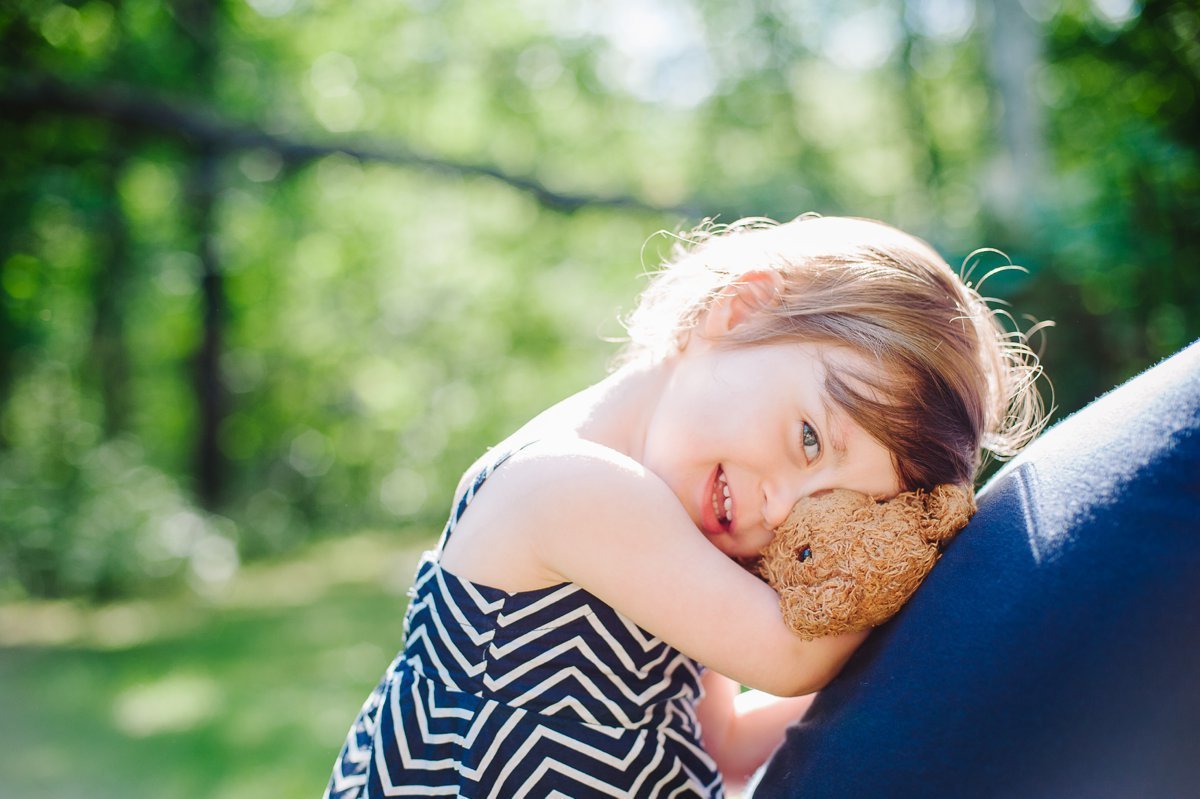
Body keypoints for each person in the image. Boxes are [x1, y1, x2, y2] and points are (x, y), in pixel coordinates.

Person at [323, 214, 1045, 798]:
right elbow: (791, 657)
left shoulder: (682, 526)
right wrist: (931, 571)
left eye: (840, 509)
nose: (783, 508)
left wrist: (915, 676)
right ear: (740, 310)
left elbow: (722, 742)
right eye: (808, 437)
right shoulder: (568, 488)